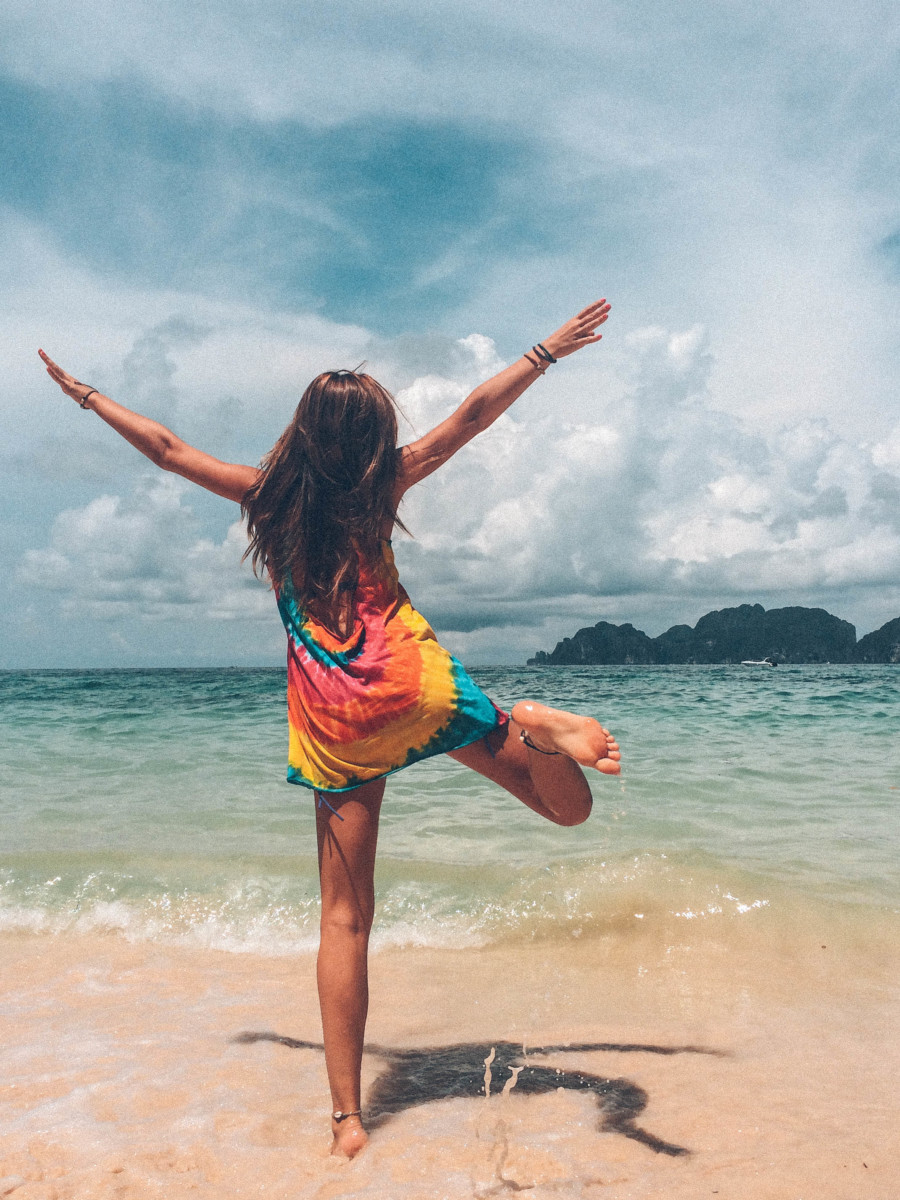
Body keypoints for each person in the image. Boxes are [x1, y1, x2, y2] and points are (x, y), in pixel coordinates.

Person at [38, 298, 621, 1158]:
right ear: (375, 437)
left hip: (339, 721)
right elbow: (470, 417)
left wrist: (88, 396)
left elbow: (166, 450)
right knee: (571, 812)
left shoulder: (265, 497)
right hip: (418, 686)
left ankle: (348, 1121)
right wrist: (544, 352)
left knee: (345, 919)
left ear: (301, 432)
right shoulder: (384, 487)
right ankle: (534, 722)